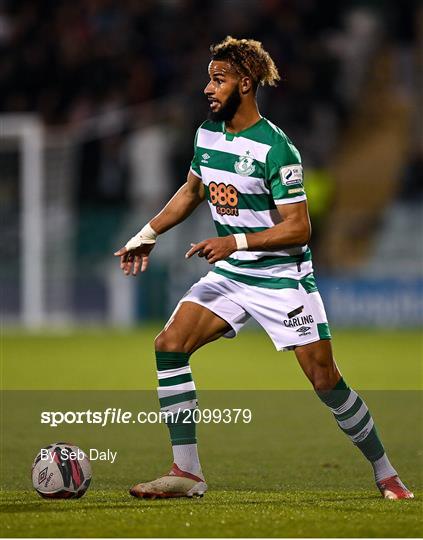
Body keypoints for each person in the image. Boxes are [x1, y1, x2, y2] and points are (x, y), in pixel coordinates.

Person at [114, 36, 413, 500]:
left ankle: (385, 470)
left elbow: (299, 228)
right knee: (169, 345)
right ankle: (186, 472)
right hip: (233, 275)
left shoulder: (277, 150)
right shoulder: (207, 134)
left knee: (325, 379)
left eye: (219, 80)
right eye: (208, 79)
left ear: (246, 84)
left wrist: (232, 241)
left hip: (281, 277)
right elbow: (192, 192)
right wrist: (146, 233)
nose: (208, 89)